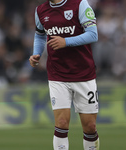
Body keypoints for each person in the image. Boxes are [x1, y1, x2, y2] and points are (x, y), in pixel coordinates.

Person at [29, 0, 99, 149]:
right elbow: (40, 35)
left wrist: (66, 42)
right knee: (61, 123)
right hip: (57, 74)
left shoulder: (80, 4)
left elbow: (93, 35)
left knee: (90, 126)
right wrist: (36, 53)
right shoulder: (40, 10)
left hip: (83, 73)